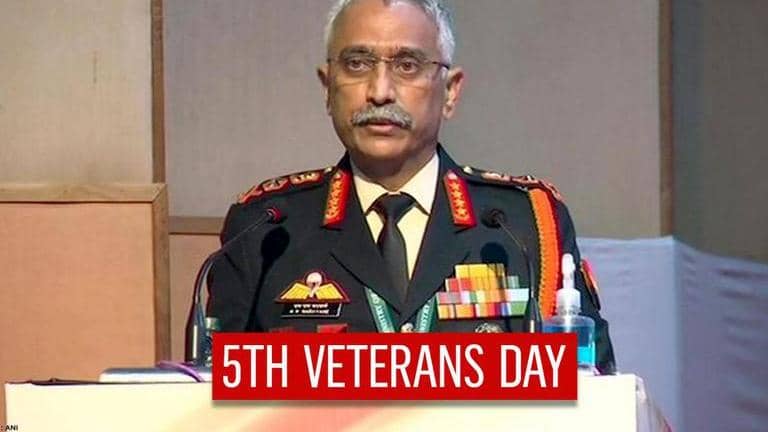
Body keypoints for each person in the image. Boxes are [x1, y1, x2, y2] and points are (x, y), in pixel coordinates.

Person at [208, 0, 615, 372]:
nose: (379, 92)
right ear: (327, 87)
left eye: (407, 65)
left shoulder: (523, 225)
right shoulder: (266, 228)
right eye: (357, 64)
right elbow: (208, 397)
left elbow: (594, 389)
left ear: (450, 91)